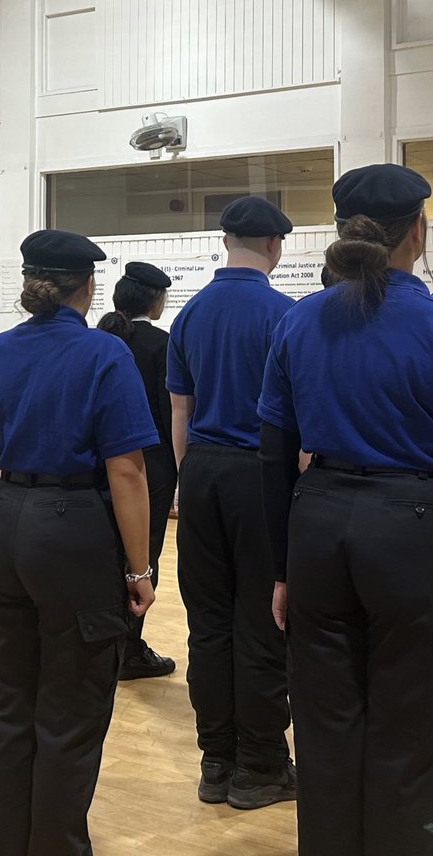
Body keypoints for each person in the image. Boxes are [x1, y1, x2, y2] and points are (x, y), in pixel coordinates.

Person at [258, 163, 433, 856]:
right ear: (417, 233)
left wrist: (282, 568)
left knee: (324, 729)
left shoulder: (296, 326)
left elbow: (272, 458)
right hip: (415, 535)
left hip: (317, 528)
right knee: (416, 735)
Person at [0, 229, 157, 856]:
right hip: (71, 528)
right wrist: (138, 569)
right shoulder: (104, 355)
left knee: (12, 707)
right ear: (87, 285)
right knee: (71, 713)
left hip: (1, 520)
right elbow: (126, 471)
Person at [167, 196, 296, 810]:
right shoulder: (284, 314)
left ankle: (215, 760)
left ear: (226, 241)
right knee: (262, 620)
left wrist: (185, 479)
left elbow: (180, 413)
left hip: (201, 474)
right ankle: (262, 766)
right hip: (259, 474)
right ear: (274, 245)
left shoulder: (190, 315)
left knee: (208, 624)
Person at [98, 261, 177, 680]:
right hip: (152, 465)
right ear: (157, 300)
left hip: (102, 463)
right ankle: (130, 648)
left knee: (108, 550)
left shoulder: (99, 339)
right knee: (143, 556)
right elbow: (168, 413)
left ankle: (108, 644)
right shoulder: (162, 344)